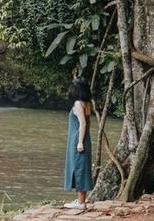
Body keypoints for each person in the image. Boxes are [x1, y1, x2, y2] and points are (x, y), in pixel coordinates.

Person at [63, 76, 93, 210]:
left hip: (78, 139)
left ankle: (81, 204)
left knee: (79, 168)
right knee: (83, 168)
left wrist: (79, 142)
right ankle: (81, 200)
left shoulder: (77, 104)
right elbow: (87, 124)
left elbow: (83, 123)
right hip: (85, 138)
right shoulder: (87, 103)